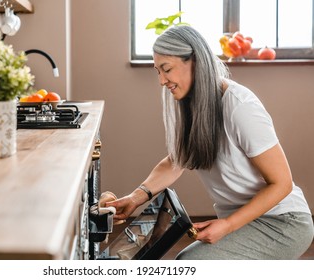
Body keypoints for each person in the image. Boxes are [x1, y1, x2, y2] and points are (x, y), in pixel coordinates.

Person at [105, 25, 314, 260]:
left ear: (195, 61)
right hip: (249, 219)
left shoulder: (239, 106)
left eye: (167, 69)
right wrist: (136, 197)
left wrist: (228, 225)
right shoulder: (194, 102)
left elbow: (282, 183)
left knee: (189, 264)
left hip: (283, 223)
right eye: (158, 72)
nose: (162, 80)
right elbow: (177, 160)